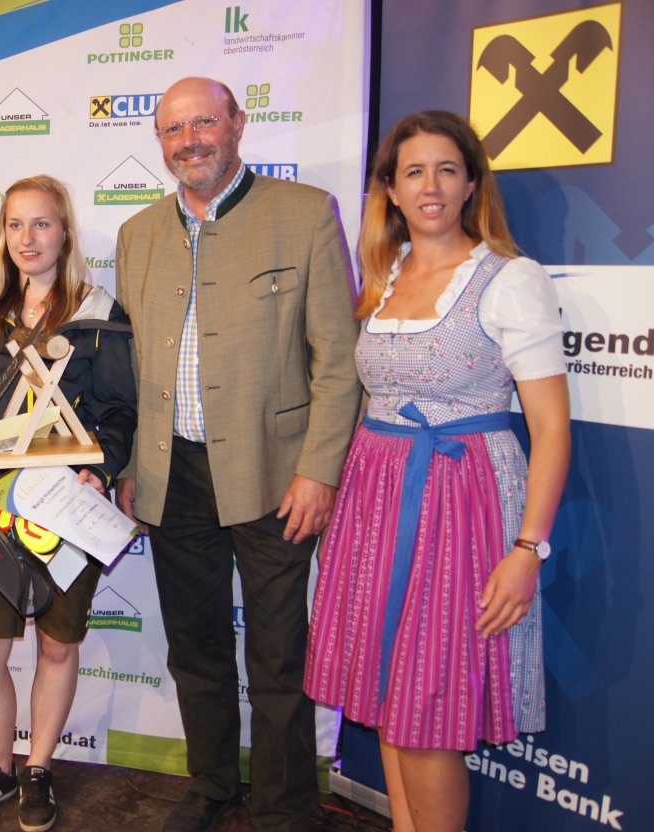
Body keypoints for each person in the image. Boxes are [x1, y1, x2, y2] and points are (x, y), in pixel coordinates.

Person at [305, 110, 571, 832]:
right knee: (392, 703)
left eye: (447, 170)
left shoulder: (509, 280)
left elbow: (551, 430)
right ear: (390, 189)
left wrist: (527, 549)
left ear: (471, 184)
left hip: (461, 500)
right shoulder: (384, 275)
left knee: (425, 710)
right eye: (414, 172)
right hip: (376, 499)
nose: (431, 187)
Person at [114, 77, 363, 832]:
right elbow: (129, 369)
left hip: (276, 476)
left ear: (238, 124)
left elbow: (338, 359)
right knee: (195, 647)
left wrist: (319, 469)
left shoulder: (306, 214)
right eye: (172, 129)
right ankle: (213, 784)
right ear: (159, 141)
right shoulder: (136, 234)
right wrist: (132, 468)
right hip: (172, 475)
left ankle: (285, 807)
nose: (189, 141)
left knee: (280, 656)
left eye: (203, 123)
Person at [0, 175, 137, 832]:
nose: (28, 238)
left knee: (55, 646)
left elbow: (119, 412)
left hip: (65, 507)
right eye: (15, 224)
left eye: (41, 223)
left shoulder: (99, 316)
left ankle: (38, 768)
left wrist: (99, 470)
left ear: (65, 232)